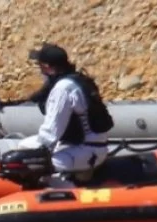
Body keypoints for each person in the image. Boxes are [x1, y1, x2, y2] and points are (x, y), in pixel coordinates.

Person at [13, 44, 115, 188]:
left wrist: (27, 159)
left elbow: (50, 133)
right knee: (24, 145)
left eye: (40, 66)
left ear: (47, 67)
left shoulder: (63, 89)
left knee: (31, 164)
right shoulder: (78, 80)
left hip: (84, 151)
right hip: (88, 147)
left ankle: (69, 191)